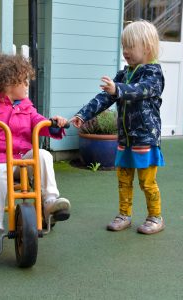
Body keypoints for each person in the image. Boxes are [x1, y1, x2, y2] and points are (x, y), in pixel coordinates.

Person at [0, 54, 71, 255]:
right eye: (22, 81)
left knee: (43, 155)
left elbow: (41, 123)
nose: (27, 86)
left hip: (22, 158)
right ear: (6, 84)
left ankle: (49, 203)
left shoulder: (27, 108)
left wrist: (54, 123)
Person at [71, 20, 165, 235]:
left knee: (147, 183)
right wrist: (83, 115)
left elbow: (140, 90)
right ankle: (124, 214)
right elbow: (105, 97)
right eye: (124, 46)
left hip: (144, 139)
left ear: (147, 47)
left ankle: (155, 217)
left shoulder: (153, 74)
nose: (125, 51)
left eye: (130, 46)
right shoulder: (124, 74)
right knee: (123, 180)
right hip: (125, 139)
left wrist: (118, 89)